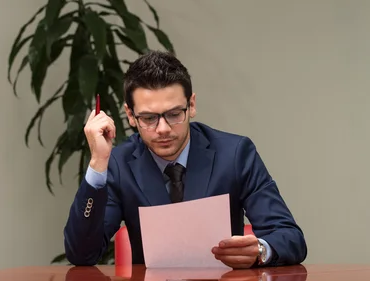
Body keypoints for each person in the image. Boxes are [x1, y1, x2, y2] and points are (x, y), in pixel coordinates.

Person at [63, 51, 306, 268]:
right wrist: (97, 163)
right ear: (130, 115)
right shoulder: (117, 163)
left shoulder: (234, 154)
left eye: (173, 114)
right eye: (148, 118)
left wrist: (261, 251)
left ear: (191, 105)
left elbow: (289, 236)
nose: (163, 129)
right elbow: (82, 255)